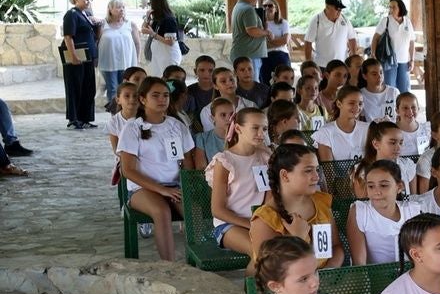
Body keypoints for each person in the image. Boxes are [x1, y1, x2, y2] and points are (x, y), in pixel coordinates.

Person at [117, 77, 194, 261]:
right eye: (156, 95)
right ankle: (170, 266)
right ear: (143, 99)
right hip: (142, 189)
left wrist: (184, 187)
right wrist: (161, 190)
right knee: (162, 212)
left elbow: (188, 162)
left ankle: (199, 259)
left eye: (166, 95)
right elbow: (127, 170)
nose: (162, 100)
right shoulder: (132, 128)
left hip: (174, 186)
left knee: (192, 210)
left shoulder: (177, 126)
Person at [249, 144, 342, 269]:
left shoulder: (321, 202)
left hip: (327, 282)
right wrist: (297, 239)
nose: (316, 176)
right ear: (285, 175)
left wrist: (329, 271)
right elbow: (270, 269)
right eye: (308, 170)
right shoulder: (265, 220)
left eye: (317, 170)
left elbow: (336, 247)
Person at [207, 107, 271, 257]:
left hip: (259, 221)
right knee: (260, 251)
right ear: (237, 128)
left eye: (265, 129)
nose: (261, 134)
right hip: (229, 225)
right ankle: (251, 281)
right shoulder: (224, 161)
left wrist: (263, 222)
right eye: (255, 128)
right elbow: (217, 210)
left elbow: (269, 196)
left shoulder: (265, 157)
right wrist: (251, 224)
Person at [348, 160, 418, 266]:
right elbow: (359, 264)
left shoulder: (412, 211)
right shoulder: (360, 211)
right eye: (371, 186)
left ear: (399, 187)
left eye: (384, 185)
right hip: (373, 279)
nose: (377, 192)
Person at [60, 0, 99, 130]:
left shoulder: (86, 14)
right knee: (75, 87)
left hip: (88, 58)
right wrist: (73, 56)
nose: (89, 2)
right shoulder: (71, 14)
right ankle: (74, 119)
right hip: (76, 58)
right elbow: (68, 37)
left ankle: (85, 118)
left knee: (88, 88)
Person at [98, 0, 140, 111]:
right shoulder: (103, 25)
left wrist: (137, 59)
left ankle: (125, 112)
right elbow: (97, 42)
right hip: (108, 62)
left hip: (126, 62)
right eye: (118, 7)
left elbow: (137, 43)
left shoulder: (130, 24)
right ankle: (115, 114)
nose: (121, 9)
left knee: (126, 88)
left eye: (123, 7)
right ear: (110, 9)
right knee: (112, 88)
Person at [370, 0, 414, 93]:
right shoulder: (386, 21)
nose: (391, 9)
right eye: (390, 7)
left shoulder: (407, 22)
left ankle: (402, 107)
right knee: (390, 89)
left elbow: (411, 42)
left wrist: (412, 59)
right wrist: (373, 54)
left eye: (394, 7)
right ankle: (391, 107)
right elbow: (375, 38)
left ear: (400, 8)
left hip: (404, 61)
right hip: (388, 61)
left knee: (405, 90)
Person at [314, 87, 368, 163]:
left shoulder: (367, 128)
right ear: (339, 104)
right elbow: (329, 171)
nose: (357, 107)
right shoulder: (325, 132)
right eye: (351, 103)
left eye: (360, 103)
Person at [228, 0, 268, 81]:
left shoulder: (237, 7)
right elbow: (252, 30)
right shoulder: (248, 9)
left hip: (243, 53)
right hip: (249, 54)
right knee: (250, 83)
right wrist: (266, 32)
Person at [302, 0, 357, 66]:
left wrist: (353, 56)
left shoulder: (345, 20)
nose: (339, 11)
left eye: (341, 9)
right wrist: (308, 63)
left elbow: (352, 38)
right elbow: (308, 42)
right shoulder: (316, 20)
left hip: (342, 63)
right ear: (327, 7)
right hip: (322, 65)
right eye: (337, 9)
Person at [141, 0, 186, 78]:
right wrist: (147, 18)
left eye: (150, 3)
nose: (149, 6)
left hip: (168, 56)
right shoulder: (156, 19)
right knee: (158, 80)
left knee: (169, 80)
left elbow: (170, 42)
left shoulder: (169, 19)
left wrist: (153, 34)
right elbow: (143, 30)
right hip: (158, 56)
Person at [259, 0, 291, 86]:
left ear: (276, 9)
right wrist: (276, 40)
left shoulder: (283, 23)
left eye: (270, 6)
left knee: (285, 82)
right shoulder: (259, 24)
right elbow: (260, 43)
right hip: (265, 55)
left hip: (281, 54)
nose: (267, 8)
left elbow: (285, 40)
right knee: (265, 83)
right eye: (264, 6)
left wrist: (270, 39)